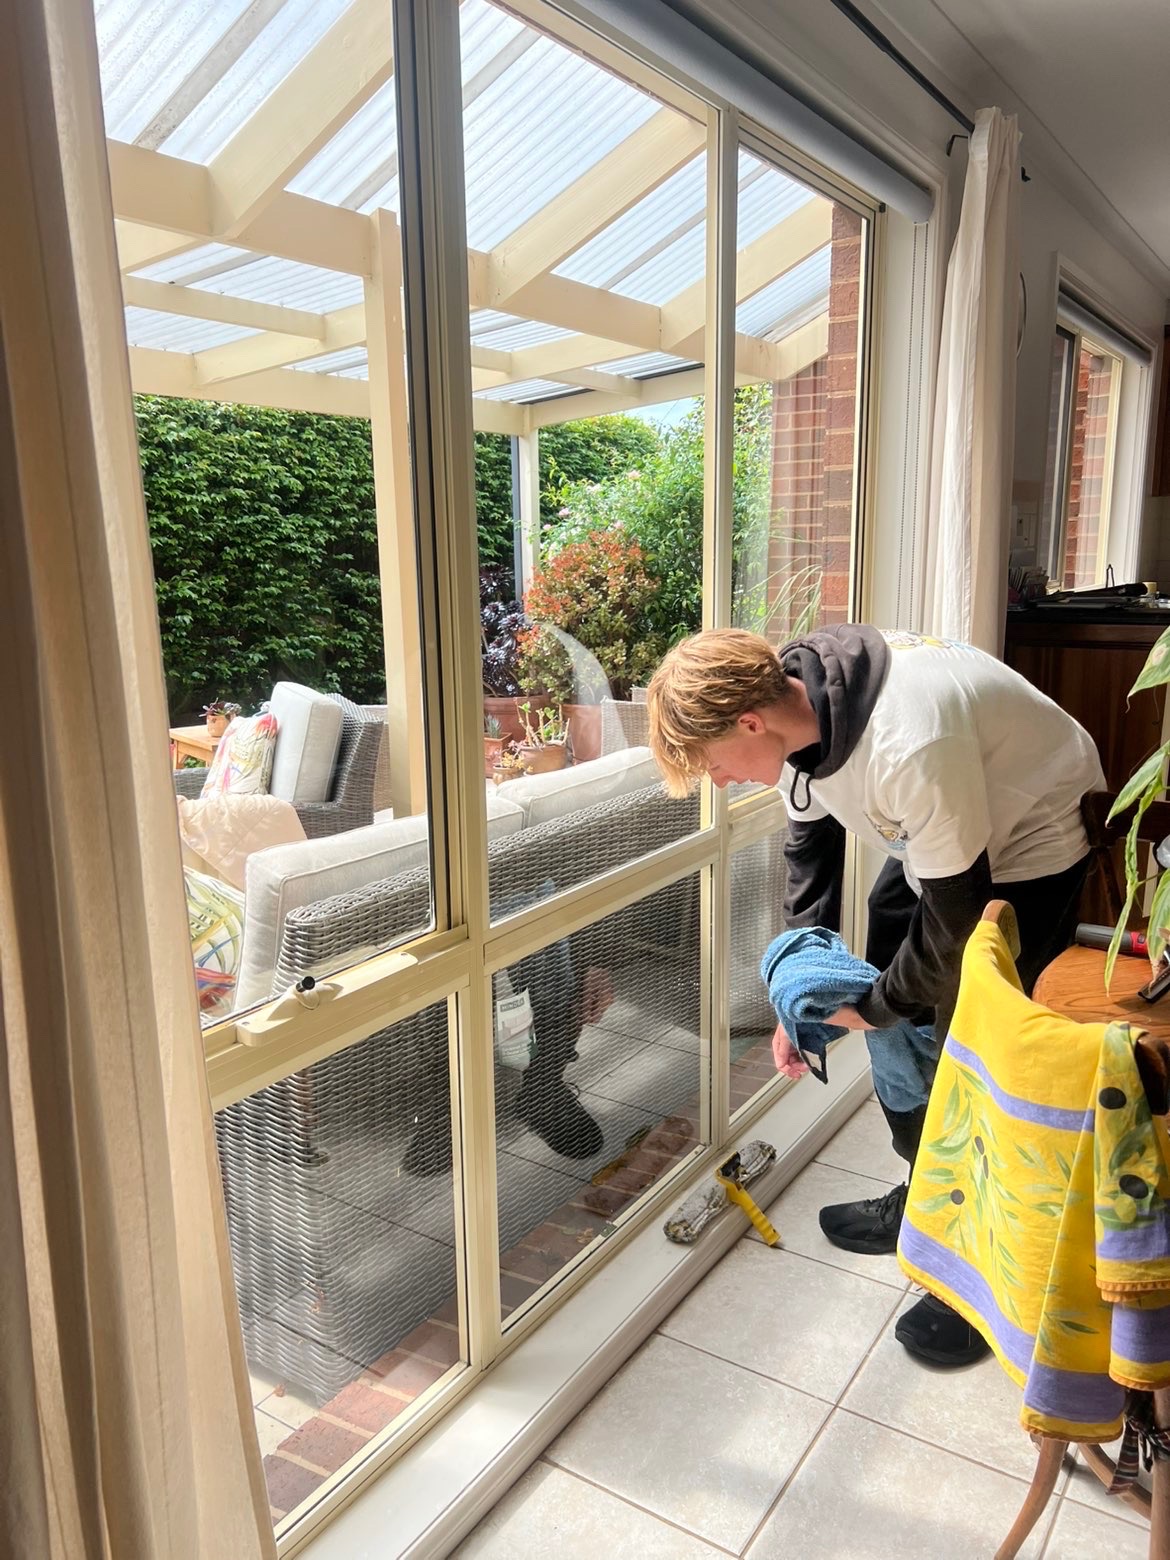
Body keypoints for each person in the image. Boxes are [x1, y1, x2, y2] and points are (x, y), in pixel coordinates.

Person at [647, 623, 1105, 1366]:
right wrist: (800, 994)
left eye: (712, 762)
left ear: (750, 722)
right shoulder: (801, 712)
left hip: (1033, 839)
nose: (719, 780)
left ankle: (974, 1272)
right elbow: (811, 866)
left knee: (977, 1056)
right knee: (891, 1002)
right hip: (946, 838)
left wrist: (873, 1009)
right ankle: (925, 1195)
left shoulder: (905, 743)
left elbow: (956, 924)